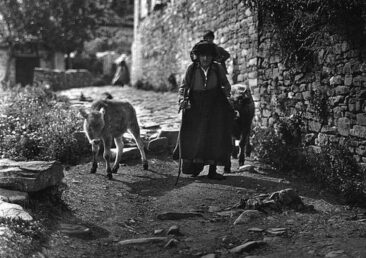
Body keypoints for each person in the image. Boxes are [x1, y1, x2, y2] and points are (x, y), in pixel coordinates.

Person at [174, 40, 234, 180]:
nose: (205, 59)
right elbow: (184, 87)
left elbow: (226, 85)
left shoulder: (217, 68)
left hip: (215, 105)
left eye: (208, 55)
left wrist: (227, 95)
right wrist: (182, 99)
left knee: (215, 136)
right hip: (196, 105)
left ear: (213, 56)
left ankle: (212, 171)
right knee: (195, 135)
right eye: (202, 55)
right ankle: (195, 167)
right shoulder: (192, 68)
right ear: (197, 56)